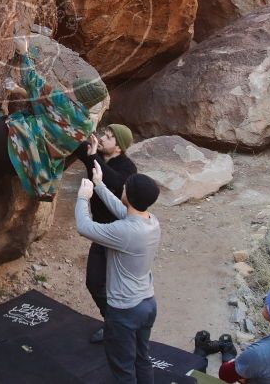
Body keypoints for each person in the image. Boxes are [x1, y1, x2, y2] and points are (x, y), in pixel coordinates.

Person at [0, 36, 108, 200]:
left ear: (80, 96)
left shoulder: (62, 102)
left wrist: (24, 53)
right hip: (30, 166)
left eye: (74, 89)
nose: (69, 89)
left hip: (16, 145)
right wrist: (18, 90)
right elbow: (42, 104)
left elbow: (32, 81)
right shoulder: (85, 124)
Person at [75, 162, 161, 384]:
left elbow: (85, 227)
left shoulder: (124, 232)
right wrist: (99, 184)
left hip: (125, 310)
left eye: (124, 187)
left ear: (130, 195)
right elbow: (124, 211)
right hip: (147, 303)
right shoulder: (151, 221)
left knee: (123, 369)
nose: (121, 188)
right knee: (142, 359)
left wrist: (84, 197)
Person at [72, 125, 137, 342]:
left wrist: (93, 159)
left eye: (108, 138)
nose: (102, 139)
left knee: (115, 286)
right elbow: (75, 144)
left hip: (119, 234)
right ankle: (113, 323)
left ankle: (119, 327)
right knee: (94, 282)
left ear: (119, 147)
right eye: (103, 135)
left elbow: (115, 181)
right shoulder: (97, 153)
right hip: (102, 231)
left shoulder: (128, 167)